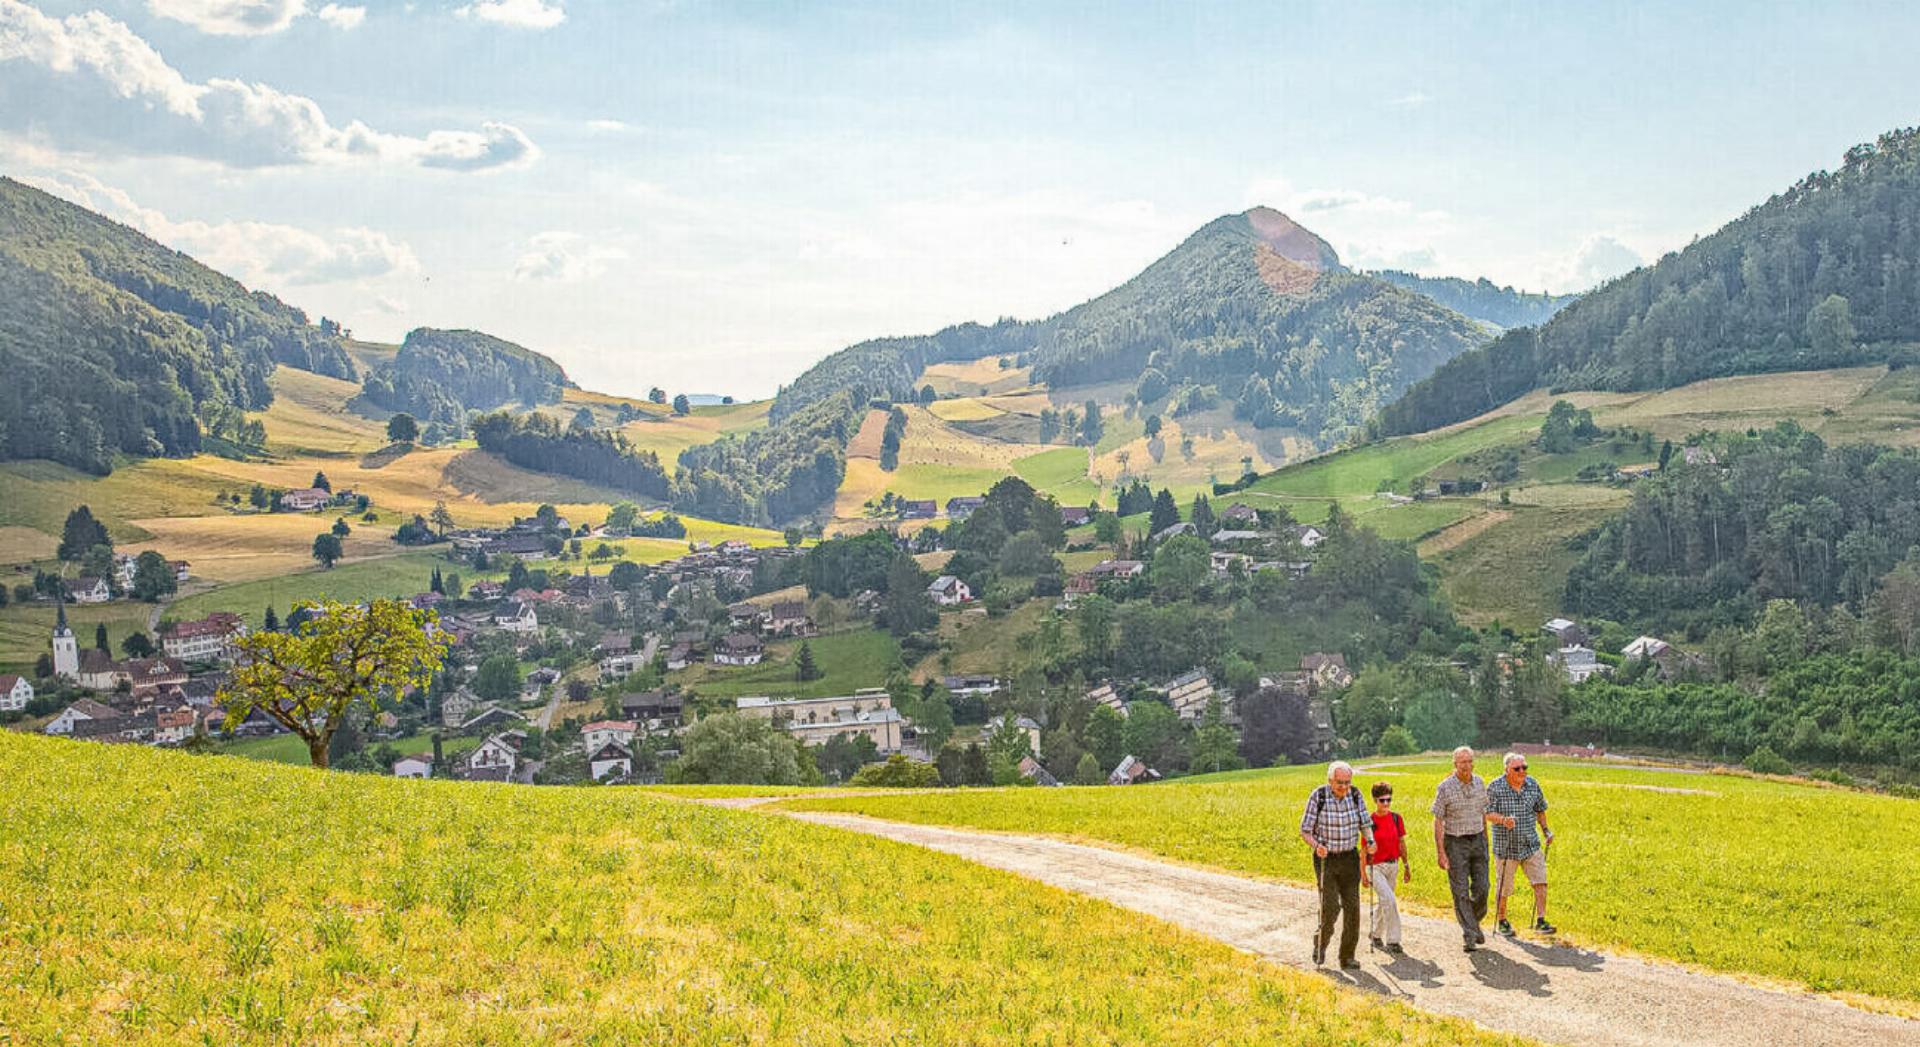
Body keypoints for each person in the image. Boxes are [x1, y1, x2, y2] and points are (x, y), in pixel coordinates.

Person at [1432, 745, 1511, 952]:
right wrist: (1441, 852)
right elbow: (1438, 821)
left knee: (1483, 888)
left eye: (1469, 761)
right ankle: (1469, 933)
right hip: (1455, 842)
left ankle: (1473, 923)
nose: (1466, 766)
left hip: (1477, 840)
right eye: (1462, 762)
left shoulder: (1479, 783)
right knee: (1460, 891)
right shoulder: (1445, 787)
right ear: (1455, 764)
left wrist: (1485, 842)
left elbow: (1483, 814)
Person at [1299, 760, 1373, 970]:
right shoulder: (1318, 796)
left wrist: (1370, 840)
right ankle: (1320, 943)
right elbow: (1305, 830)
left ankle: (1347, 956)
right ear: (1330, 780)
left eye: (1347, 783)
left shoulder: (1356, 795)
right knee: (1331, 907)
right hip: (1326, 859)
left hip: (1350, 857)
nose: (1343, 787)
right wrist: (1316, 845)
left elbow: (1365, 823)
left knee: (1353, 908)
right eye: (1339, 782)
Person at [1489, 751, 1556, 936]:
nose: (1522, 771)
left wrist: (1546, 831)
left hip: (1530, 844)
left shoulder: (1532, 784)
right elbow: (1486, 813)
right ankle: (1502, 921)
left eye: (1524, 767)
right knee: (1504, 887)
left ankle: (1541, 920)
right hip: (1506, 848)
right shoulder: (1495, 787)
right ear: (1507, 769)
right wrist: (1503, 820)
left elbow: (1540, 809)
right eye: (1517, 768)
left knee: (1540, 881)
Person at [1366, 780, 1410, 954]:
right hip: (1375, 867)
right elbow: (1363, 850)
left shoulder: (1396, 818)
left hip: (1393, 865)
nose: (1386, 803)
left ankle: (1375, 934)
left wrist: (1406, 865)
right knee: (1389, 900)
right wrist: (1362, 873)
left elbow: (1401, 843)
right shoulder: (1369, 821)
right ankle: (1393, 940)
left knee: (1385, 901)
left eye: (1388, 800)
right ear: (1375, 800)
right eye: (1382, 800)